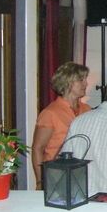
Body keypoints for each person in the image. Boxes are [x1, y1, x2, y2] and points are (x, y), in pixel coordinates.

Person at [31, 62, 91, 190]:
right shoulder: (50, 113)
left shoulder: (87, 109)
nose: (86, 84)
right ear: (67, 82)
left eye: (85, 79)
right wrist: (41, 181)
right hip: (56, 175)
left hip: (82, 174)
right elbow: (38, 148)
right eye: (81, 80)